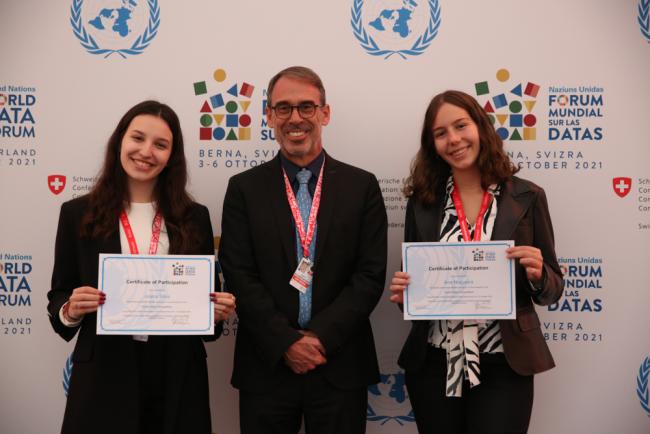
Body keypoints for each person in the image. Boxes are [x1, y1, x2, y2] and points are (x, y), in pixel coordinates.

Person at [47, 100, 236, 434]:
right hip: (104, 372)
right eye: (138, 138)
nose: (146, 151)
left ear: (171, 156)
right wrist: (70, 309)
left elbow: (206, 321)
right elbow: (60, 293)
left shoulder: (195, 218)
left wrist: (215, 311)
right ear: (120, 140)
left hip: (176, 373)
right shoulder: (77, 213)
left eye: (160, 145)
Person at [218, 66, 387, 434]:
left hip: (339, 363)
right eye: (283, 108)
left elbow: (369, 275)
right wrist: (286, 343)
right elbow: (238, 274)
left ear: (325, 113)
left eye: (306, 107)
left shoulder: (362, 186)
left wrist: (320, 338)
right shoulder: (244, 189)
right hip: (267, 364)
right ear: (269, 116)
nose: (295, 118)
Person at [389, 90, 563, 434]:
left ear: (480, 127)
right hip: (436, 363)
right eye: (441, 133)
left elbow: (552, 290)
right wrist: (406, 295)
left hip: (504, 362)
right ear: (432, 144)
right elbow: (418, 288)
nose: (453, 139)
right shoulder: (422, 202)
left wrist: (538, 273)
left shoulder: (527, 196)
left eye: (460, 126)